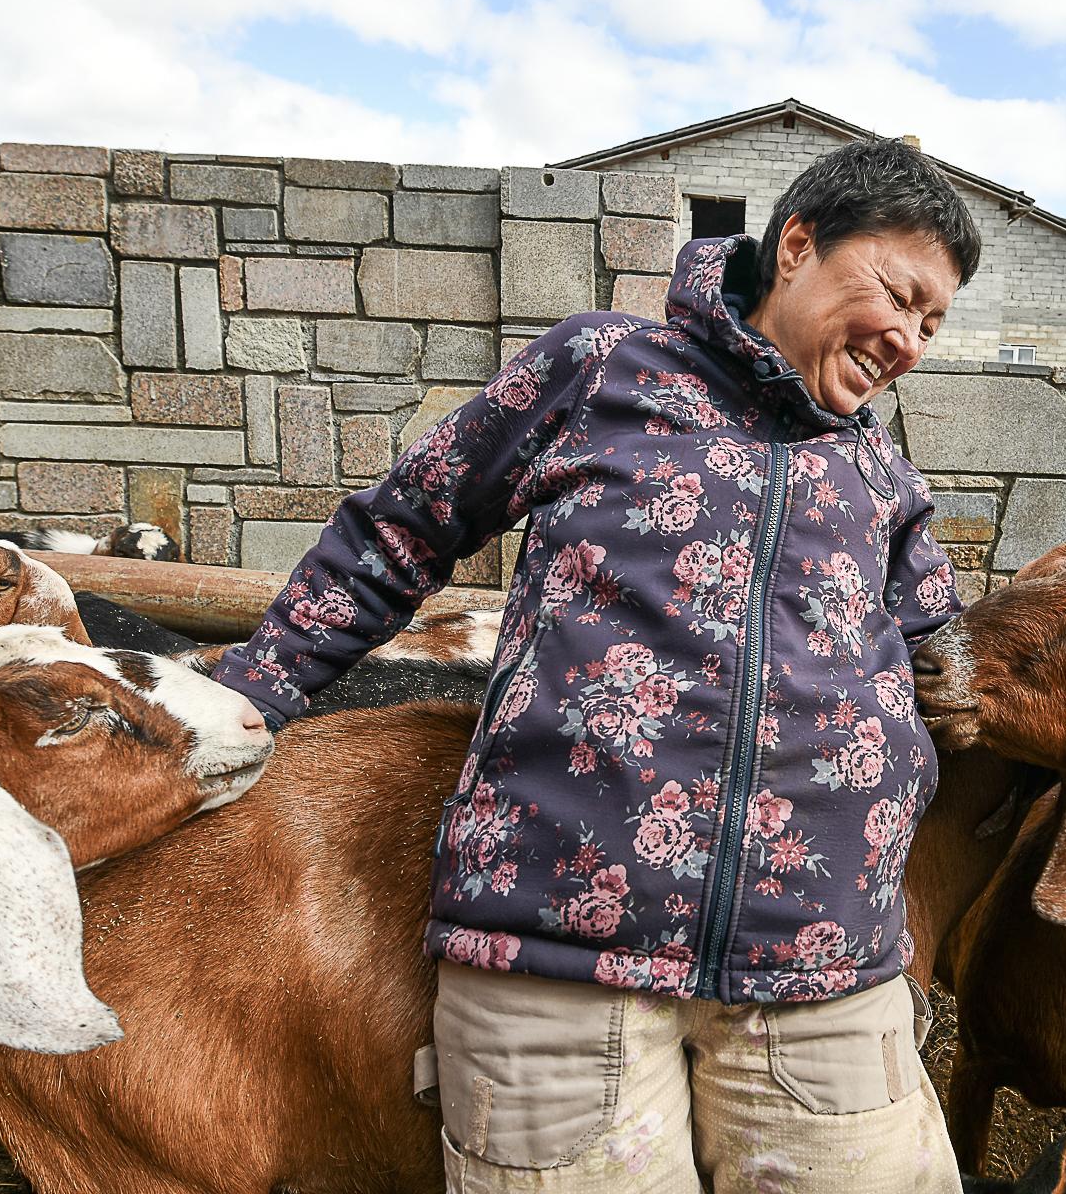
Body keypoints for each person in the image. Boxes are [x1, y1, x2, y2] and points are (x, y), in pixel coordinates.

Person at [212, 138, 980, 1192]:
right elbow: (406, 524)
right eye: (899, 293)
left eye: (933, 322)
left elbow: (945, 646)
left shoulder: (879, 466)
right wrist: (260, 682)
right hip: (562, 953)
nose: (909, 338)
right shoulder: (602, 365)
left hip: (822, 958)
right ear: (796, 245)